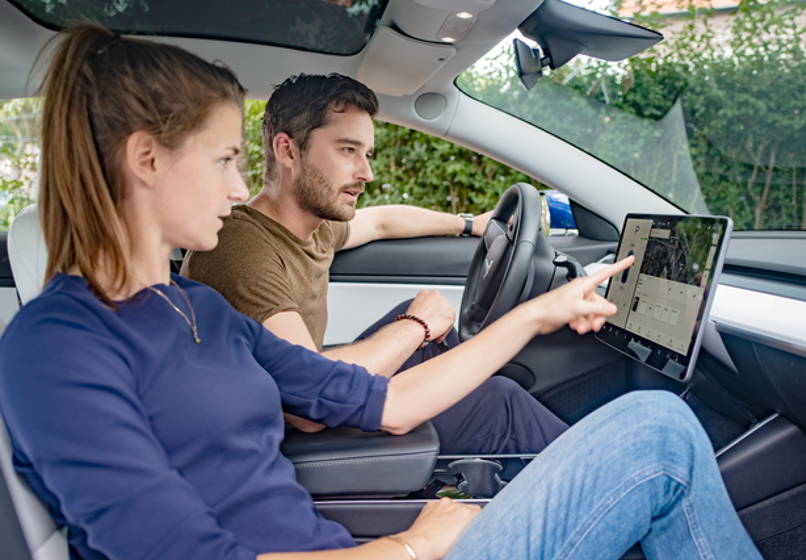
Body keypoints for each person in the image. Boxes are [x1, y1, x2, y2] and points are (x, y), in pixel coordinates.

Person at [0, 26, 763, 560]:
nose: (239, 188)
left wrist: (540, 312)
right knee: (658, 435)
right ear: (147, 159)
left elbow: (385, 402)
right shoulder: (55, 350)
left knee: (648, 438)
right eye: (227, 159)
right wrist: (410, 545)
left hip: (348, 548)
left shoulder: (192, 309)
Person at [181, 73, 571, 452]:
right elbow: (308, 403)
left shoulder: (314, 228)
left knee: (440, 350)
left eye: (366, 154)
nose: (366, 173)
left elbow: (382, 221)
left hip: (297, 406)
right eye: (348, 150)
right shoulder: (240, 248)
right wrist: (415, 326)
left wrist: (470, 224)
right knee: (498, 403)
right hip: (270, 439)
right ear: (288, 151)